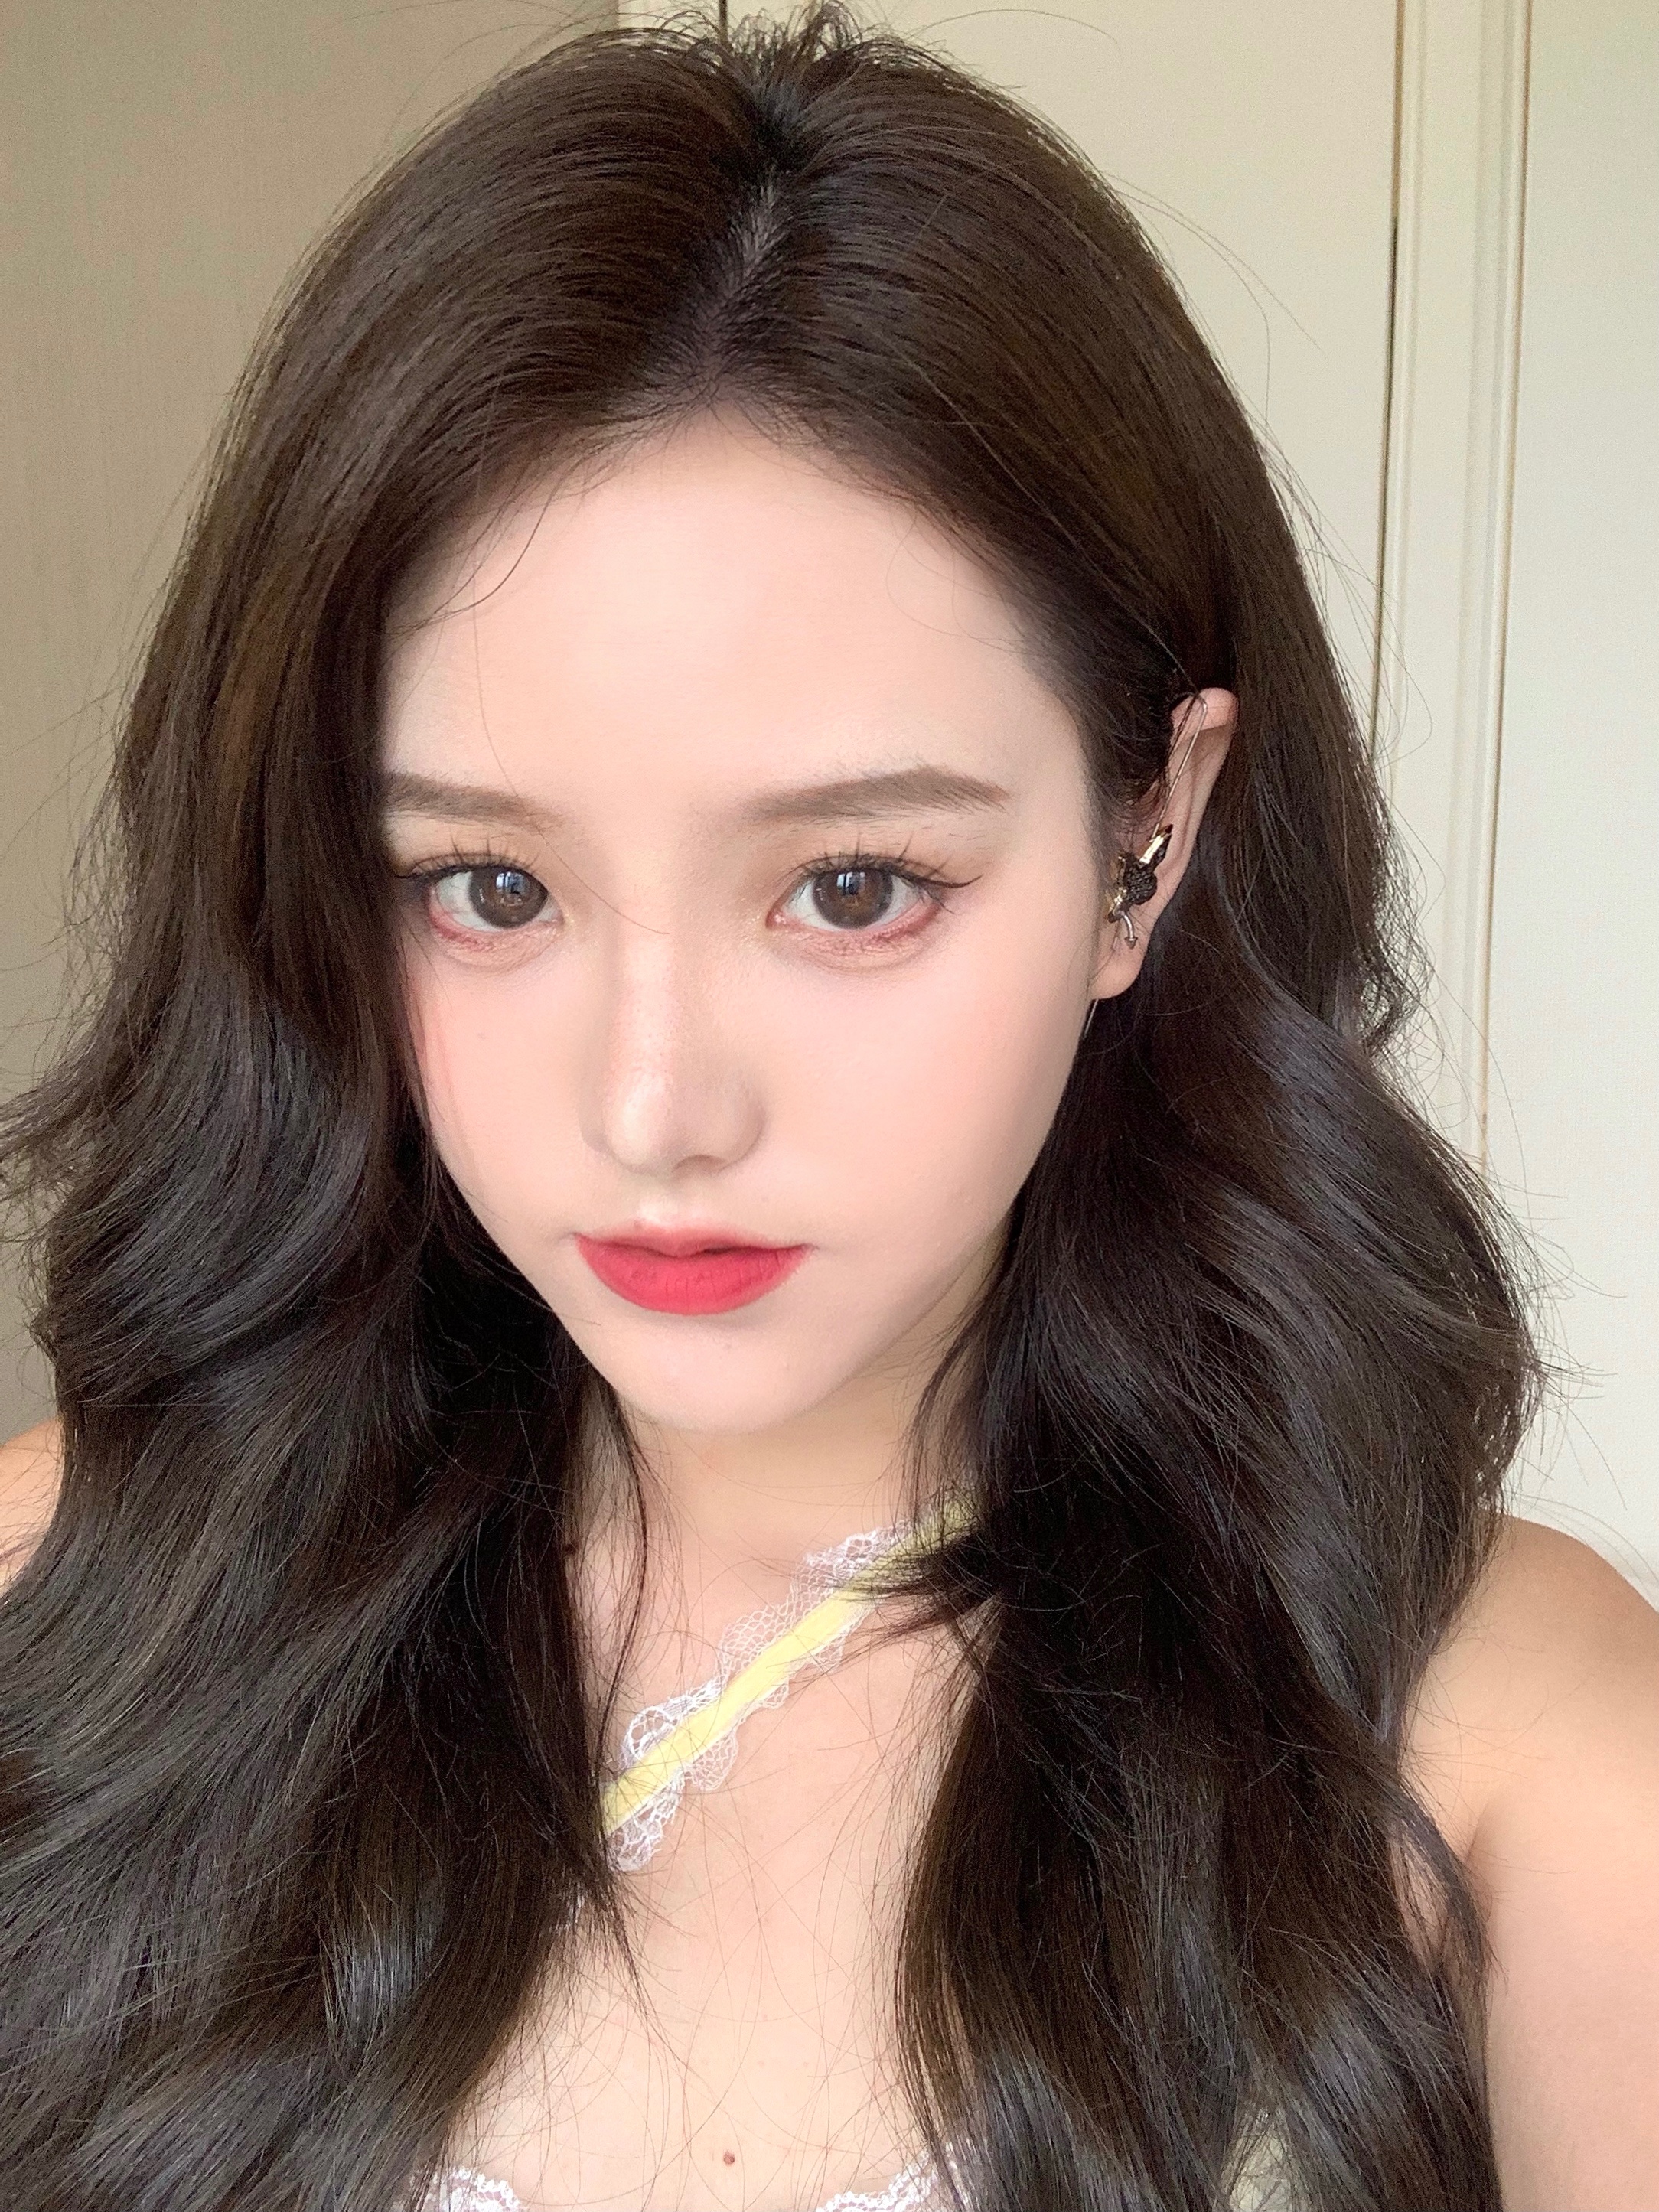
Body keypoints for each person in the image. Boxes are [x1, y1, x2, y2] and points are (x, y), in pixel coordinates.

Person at [1, 6, 1655, 2209]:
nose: (654, 1106)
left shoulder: (1514, 1758)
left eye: (854, 887)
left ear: (1148, 837)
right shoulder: (78, 1600)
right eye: (489, 887)